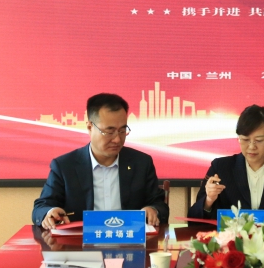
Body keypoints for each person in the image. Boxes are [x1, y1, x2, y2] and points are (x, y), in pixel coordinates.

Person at [32, 93, 169, 229]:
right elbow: (41, 207)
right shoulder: (65, 166)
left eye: (122, 130)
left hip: (129, 238)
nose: (117, 139)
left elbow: (160, 205)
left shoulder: (141, 163)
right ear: (90, 127)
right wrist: (50, 212)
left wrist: (153, 209)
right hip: (81, 240)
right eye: (109, 131)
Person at [188, 105, 264, 223]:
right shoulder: (221, 167)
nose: (251, 146)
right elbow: (193, 220)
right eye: (245, 139)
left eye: (259, 140)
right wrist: (209, 200)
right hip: (232, 237)